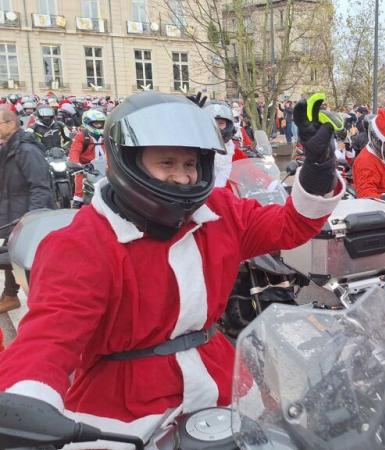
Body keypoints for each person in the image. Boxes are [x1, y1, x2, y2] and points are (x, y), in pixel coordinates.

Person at [0, 91, 343, 445]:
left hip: (219, 377)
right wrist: (25, 402)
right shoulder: (82, 244)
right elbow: (48, 337)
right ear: (129, 161)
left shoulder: (218, 212)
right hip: (124, 408)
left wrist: (318, 167)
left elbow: (292, 225)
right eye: (166, 163)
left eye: (189, 164)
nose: (182, 178)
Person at [0, 106, 54, 314]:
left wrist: (33, 219)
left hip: (26, 216)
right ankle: (11, 295)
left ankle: (41, 310)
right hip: (12, 213)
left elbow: (40, 186)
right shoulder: (8, 148)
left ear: (11, 124)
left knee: (27, 264)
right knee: (12, 257)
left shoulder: (27, 150)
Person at [68, 109, 107, 208]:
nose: (99, 125)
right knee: (79, 175)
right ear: (87, 123)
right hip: (87, 166)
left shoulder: (106, 135)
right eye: (96, 123)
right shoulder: (81, 136)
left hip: (105, 165)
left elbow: (113, 149)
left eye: (100, 123)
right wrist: (75, 164)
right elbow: (75, 150)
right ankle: (78, 199)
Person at [203, 102, 245, 188]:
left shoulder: (235, 153)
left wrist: (270, 184)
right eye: (212, 123)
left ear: (229, 126)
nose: (217, 127)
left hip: (230, 198)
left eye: (221, 123)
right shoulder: (195, 152)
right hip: (201, 198)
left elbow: (251, 172)